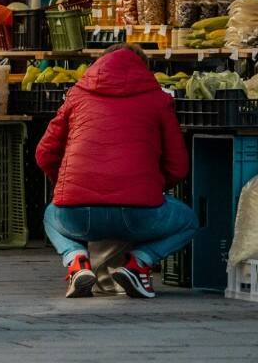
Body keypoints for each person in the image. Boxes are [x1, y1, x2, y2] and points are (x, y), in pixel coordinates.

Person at [36, 44, 196, 299]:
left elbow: (44, 154)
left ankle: (76, 261)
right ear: (143, 69)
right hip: (139, 216)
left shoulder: (76, 96)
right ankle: (140, 264)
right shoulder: (159, 99)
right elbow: (179, 166)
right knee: (189, 220)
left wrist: (67, 187)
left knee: (50, 214)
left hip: (78, 215)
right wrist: (149, 189)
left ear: (99, 64)